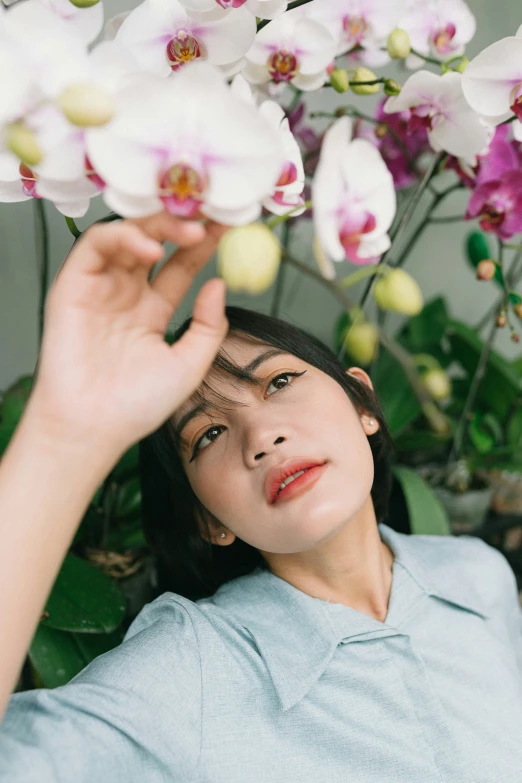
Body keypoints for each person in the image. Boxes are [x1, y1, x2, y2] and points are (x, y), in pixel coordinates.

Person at [0, 211, 521, 783]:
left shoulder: (478, 576)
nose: (261, 437)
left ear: (364, 407)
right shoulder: (190, 674)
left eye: (277, 382)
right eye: (209, 435)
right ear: (207, 519)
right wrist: (59, 433)